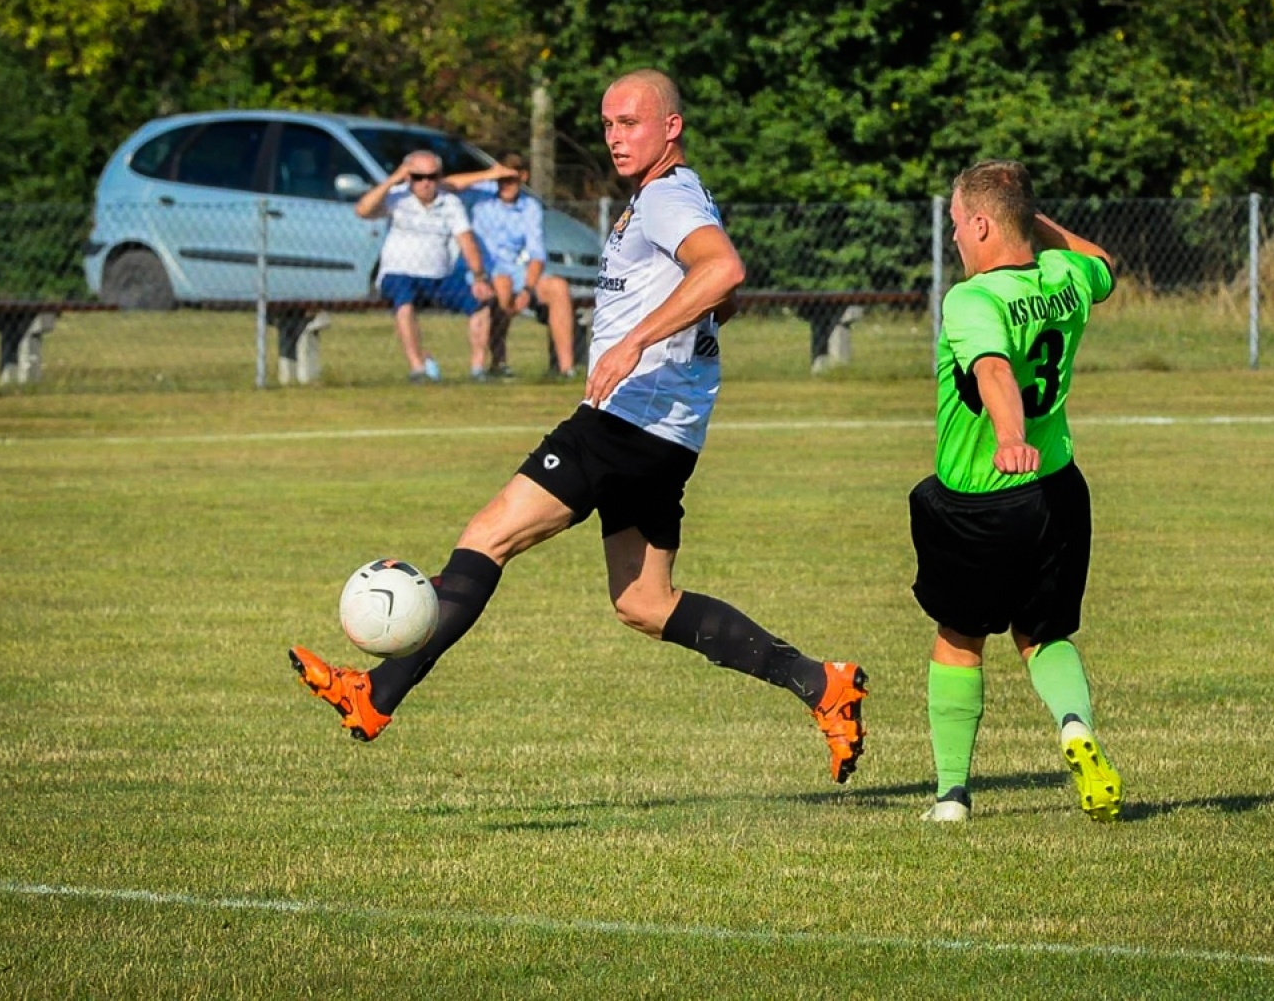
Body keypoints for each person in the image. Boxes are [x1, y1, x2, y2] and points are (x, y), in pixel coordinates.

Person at [290, 69, 868, 785]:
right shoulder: (672, 197)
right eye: (607, 124)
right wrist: (677, 328)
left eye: (631, 123)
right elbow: (724, 296)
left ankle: (377, 693)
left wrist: (631, 344)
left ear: (671, 127)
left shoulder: (667, 196)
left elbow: (723, 270)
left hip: (628, 418)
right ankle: (823, 684)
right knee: (644, 602)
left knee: (486, 537)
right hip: (669, 430)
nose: (615, 137)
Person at [912, 158, 1123, 823]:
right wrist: (1032, 219)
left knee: (958, 639)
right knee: (1042, 634)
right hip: (1058, 490)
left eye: (956, 223)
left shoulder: (972, 300)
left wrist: (1008, 434)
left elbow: (995, 368)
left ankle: (951, 795)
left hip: (985, 498)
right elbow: (1104, 264)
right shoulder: (1065, 277)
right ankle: (1073, 725)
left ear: (980, 224)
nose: (953, 237)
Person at [354, 150, 514, 382]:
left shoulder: (450, 203)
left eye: (431, 176)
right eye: (418, 177)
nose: (426, 183)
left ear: (439, 177)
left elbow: (466, 240)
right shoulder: (396, 197)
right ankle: (418, 368)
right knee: (404, 302)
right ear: (408, 177)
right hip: (401, 273)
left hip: (440, 276)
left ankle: (478, 369)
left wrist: (479, 277)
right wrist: (393, 179)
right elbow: (363, 210)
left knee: (481, 303)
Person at [445, 153, 579, 380]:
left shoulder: (530, 207)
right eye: (502, 179)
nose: (506, 184)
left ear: (523, 177)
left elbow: (536, 253)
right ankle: (499, 361)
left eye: (512, 178)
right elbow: (446, 185)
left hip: (516, 267)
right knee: (502, 285)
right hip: (483, 268)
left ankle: (566, 368)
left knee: (558, 287)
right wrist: (489, 174)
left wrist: (528, 288)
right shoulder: (480, 196)